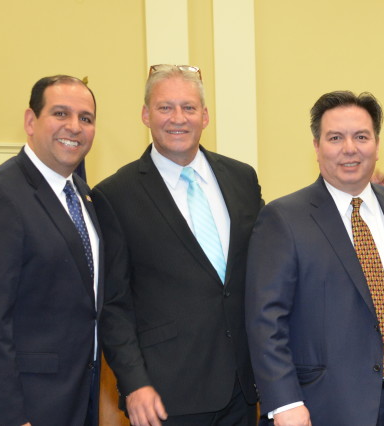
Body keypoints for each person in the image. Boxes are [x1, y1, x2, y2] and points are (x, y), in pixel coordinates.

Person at [245, 90, 384, 425]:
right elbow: (265, 321)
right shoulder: (284, 218)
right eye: (335, 137)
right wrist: (284, 402)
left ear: (377, 145)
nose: (349, 148)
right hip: (321, 405)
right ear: (317, 146)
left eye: (361, 136)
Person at [93, 64, 261, 425]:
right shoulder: (115, 195)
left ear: (205, 116)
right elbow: (113, 304)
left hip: (243, 388)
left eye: (188, 107)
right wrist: (134, 383)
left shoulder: (242, 178)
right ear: (145, 115)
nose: (177, 118)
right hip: (166, 395)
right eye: (164, 107)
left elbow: (271, 255)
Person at [0, 75, 102, 426]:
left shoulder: (84, 195)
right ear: (31, 122)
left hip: (81, 398)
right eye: (60, 113)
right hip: (29, 407)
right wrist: (9, 417)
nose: (74, 127)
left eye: (86, 118)